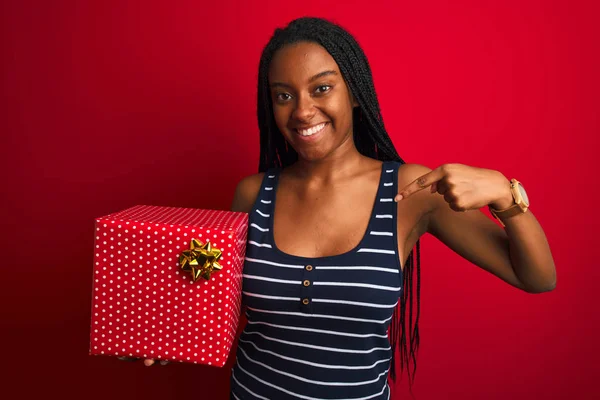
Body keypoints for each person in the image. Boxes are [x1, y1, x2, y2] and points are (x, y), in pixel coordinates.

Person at [141, 17, 557, 399]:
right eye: (283, 95)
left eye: (321, 88)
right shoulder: (253, 195)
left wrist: (506, 195)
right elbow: (220, 309)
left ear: (355, 93)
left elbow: (536, 277)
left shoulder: (411, 190)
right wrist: (166, 337)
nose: (302, 111)